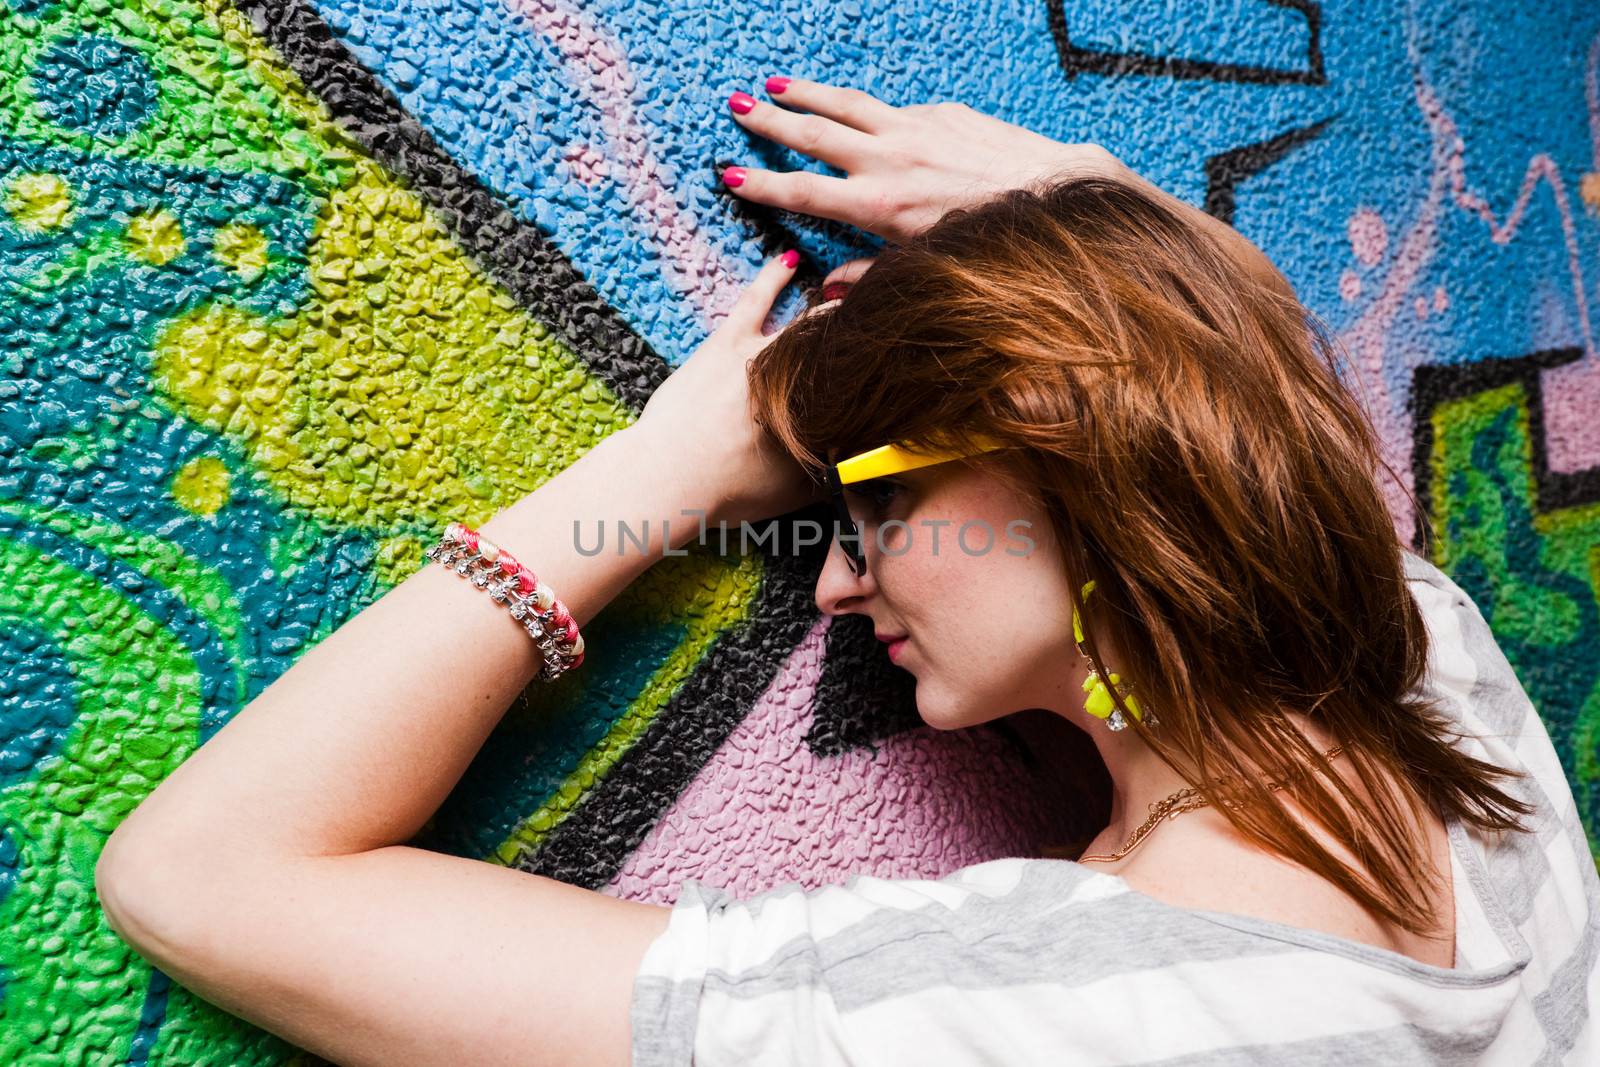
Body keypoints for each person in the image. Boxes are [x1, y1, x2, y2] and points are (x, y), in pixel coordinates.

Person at [91, 78, 1596, 1066]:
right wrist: (1101, 218)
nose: (833, 583)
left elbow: (202, 879)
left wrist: (663, 472)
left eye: (865, 509)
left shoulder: (1061, 1023)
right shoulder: (1430, 697)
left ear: (1060, 451)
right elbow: (1249, 408)